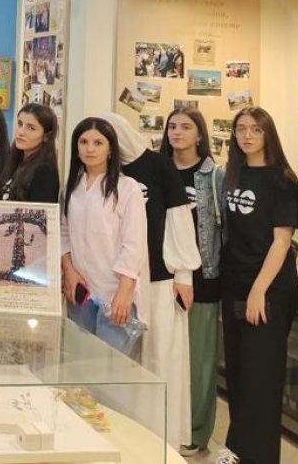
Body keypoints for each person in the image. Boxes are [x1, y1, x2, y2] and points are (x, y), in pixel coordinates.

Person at [102, 113, 200, 450]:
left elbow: (178, 219)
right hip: (118, 282)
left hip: (160, 278)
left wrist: (184, 274)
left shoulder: (159, 166)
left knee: (161, 358)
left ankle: (162, 438)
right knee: (124, 360)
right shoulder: (106, 170)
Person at [220, 106, 298, 464]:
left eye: (255, 129)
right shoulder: (232, 174)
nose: (247, 135)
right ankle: (236, 452)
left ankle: (258, 457)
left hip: (268, 290)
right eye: (241, 129)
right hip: (234, 287)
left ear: (268, 134)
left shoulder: (282, 180)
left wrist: (258, 290)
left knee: (261, 380)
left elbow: (282, 242)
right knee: (237, 376)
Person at [163, 108, 224, 458]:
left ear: (199, 134)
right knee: (167, 357)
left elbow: (222, 229)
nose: (177, 132)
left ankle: (196, 432)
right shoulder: (158, 170)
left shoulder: (213, 176)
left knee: (199, 361)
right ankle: (167, 424)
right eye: (172, 126)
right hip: (162, 277)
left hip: (203, 279)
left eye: (186, 127)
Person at [60, 117, 148, 356]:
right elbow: (63, 233)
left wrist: (125, 290)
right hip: (81, 291)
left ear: (110, 149)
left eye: (98, 143)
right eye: (83, 142)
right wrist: (69, 272)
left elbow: (134, 244)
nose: (90, 148)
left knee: (109, 367)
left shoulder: (128, 188)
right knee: (79, 364)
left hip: (114, 292)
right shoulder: (71, 188)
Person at [0, 103, 60, 203]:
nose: (21, 132)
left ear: (46, 136)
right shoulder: (15, 162)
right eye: (20, 124)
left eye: (31, 128)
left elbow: (39, 211)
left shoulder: (45, 171)